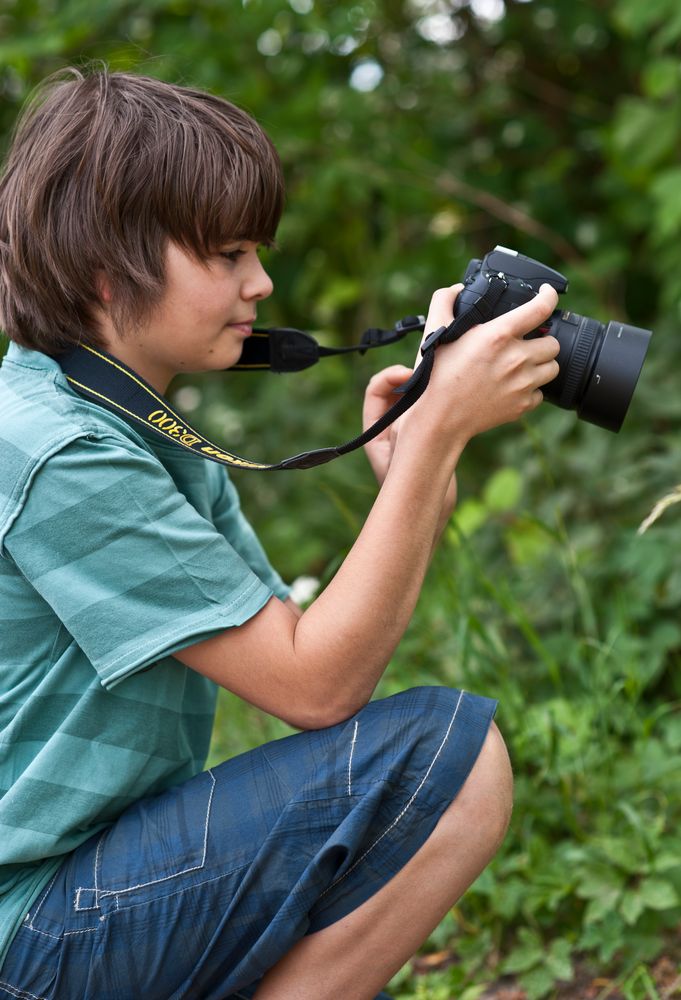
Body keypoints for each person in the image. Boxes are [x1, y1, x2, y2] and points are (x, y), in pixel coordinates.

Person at [0, 68, 560, 1000]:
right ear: (106, 271)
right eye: (226, 254)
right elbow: (316, 687)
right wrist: (433, 442)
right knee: (453, 764)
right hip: (32, 929)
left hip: (84, 884)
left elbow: (307, 662)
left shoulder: (122, 423)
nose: (261, 281)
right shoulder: (58, 452)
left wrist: (413, 467)